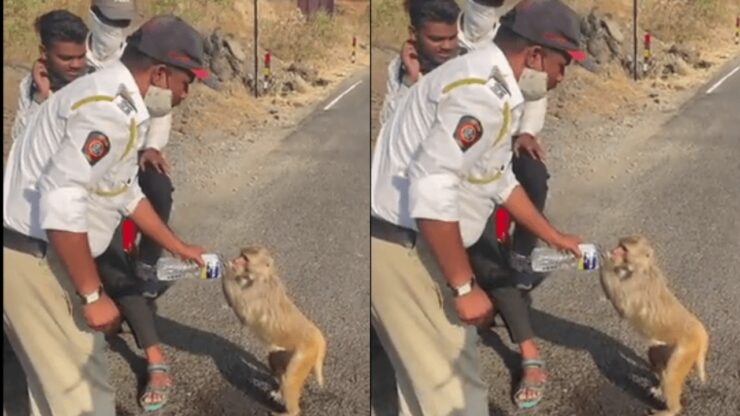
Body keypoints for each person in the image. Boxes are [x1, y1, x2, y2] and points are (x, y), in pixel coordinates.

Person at [370, 0, 588, 414]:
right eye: (564, 65)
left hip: (409, 247)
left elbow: (497, 178)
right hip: (404, 251)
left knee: (422, 391)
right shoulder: (481, 94)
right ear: (537, 55)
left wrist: (553, 236)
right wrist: (465, 287)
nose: (562, 77)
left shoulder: (494, 87)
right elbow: (432, 188)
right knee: (456, 394)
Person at [3, 14, 214, 416]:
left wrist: (179, 247)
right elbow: (61, 199)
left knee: (51, 391)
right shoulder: (109, 111)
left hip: (32, 256)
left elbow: (124, 192)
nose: (186, 95)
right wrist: (93, 294)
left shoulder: (118, 103)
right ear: (161, 74)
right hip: (35, 261)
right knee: (84, 396)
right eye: (188, 83)